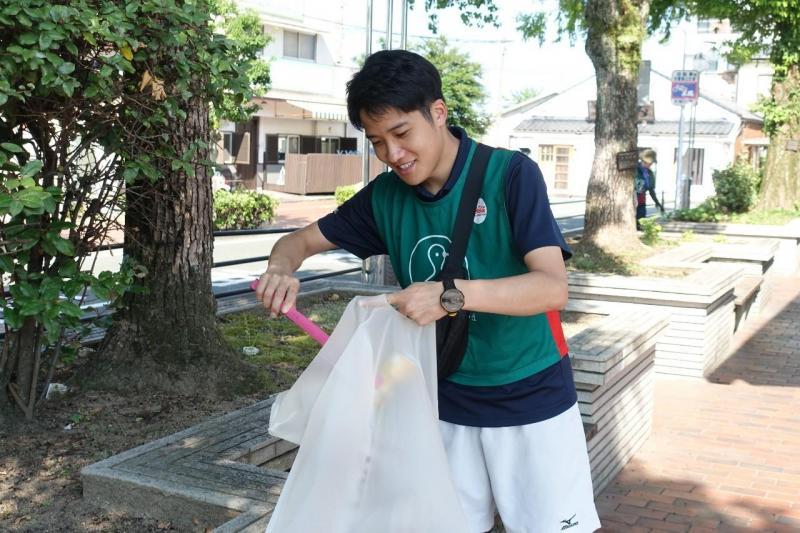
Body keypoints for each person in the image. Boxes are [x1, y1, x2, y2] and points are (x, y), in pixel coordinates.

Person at [254, 50, 600, 533]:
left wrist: (448, 296)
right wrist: (279, 269)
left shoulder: (510, 176)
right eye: (377, 142)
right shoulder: (385, 198)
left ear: (437, 113)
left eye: (401, 133)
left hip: (530, 394)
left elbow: (550, 287)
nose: (393, 155)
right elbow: (298, 242)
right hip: (442, 403)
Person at [635, 148, 664, 230]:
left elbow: (651, 190)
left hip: (641, 201)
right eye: (649, 163)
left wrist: (657, 203)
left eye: (651, 163)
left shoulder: (649, 173)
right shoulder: (635, 170)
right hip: (632, 201)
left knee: (641, 222)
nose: (650, 165)